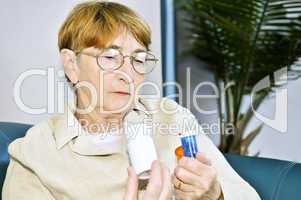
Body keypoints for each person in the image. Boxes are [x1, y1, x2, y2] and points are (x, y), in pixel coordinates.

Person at [2, 1, 261, 199]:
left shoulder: (170, 117)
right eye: (110, 57)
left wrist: (214, 194)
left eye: (138, 60)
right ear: (71, 64)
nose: (128, 74)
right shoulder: (34, 154)